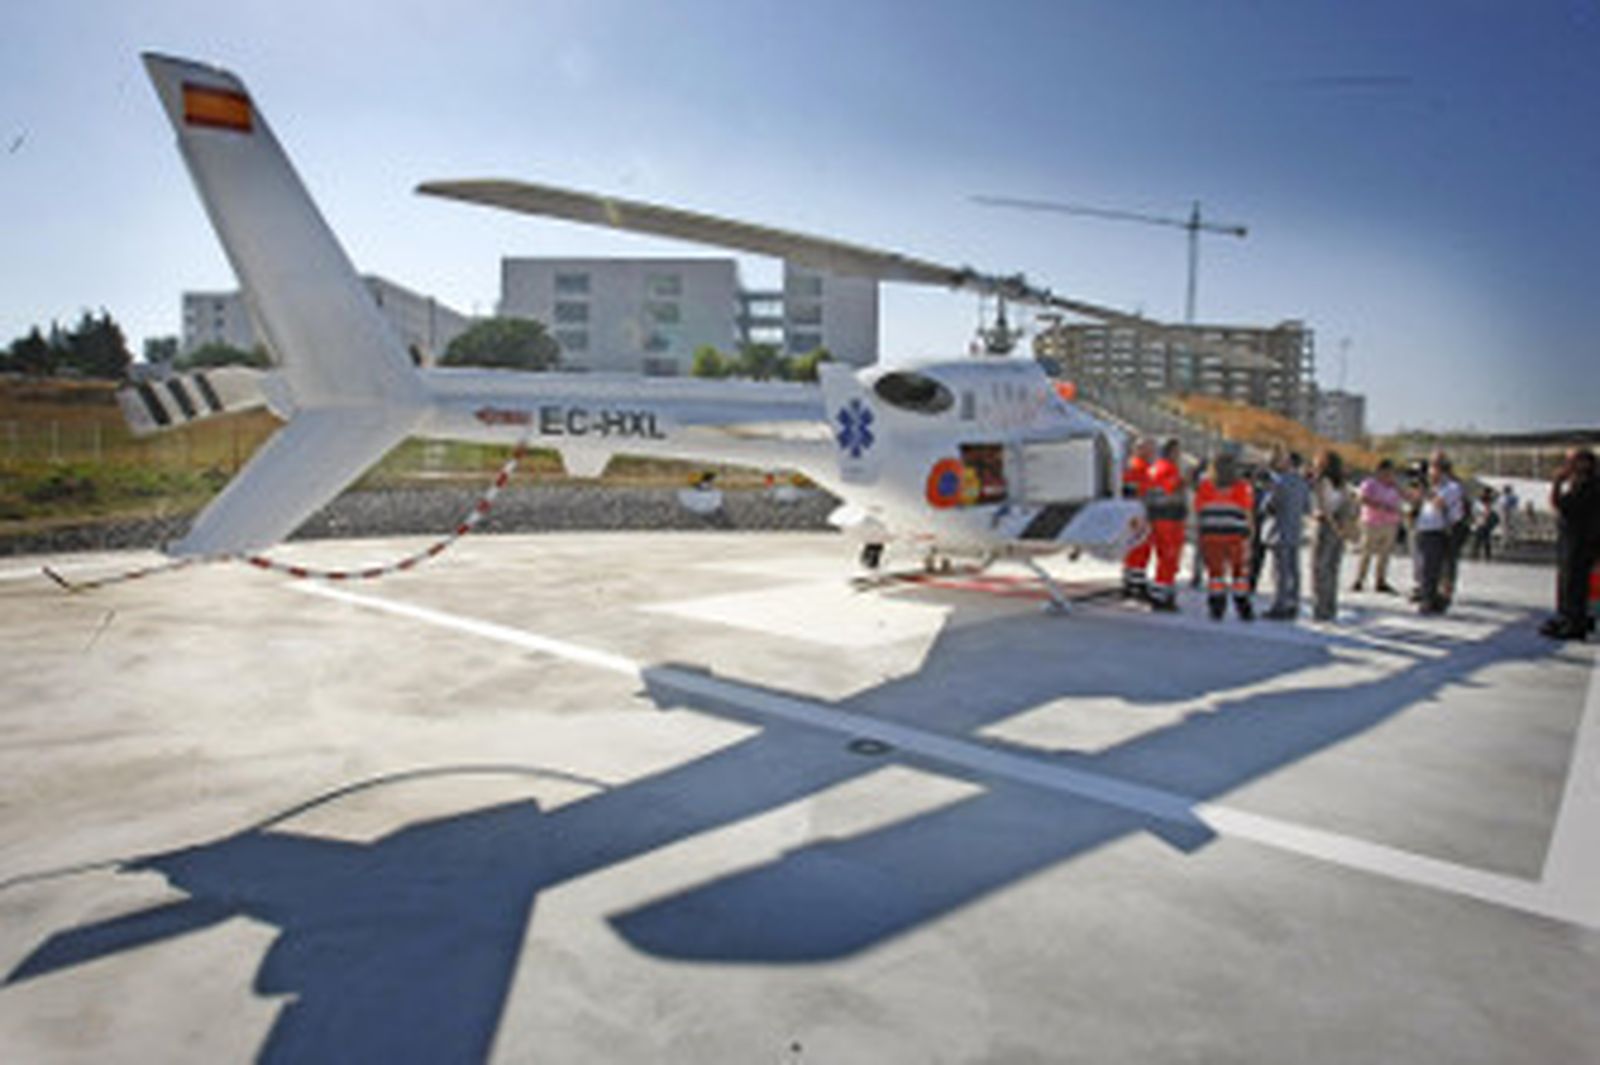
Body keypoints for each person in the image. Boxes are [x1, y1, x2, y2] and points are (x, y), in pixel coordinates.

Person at [1541, 448, 1600, 641]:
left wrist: (1557, 482)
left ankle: (1574, 622)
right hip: (1575, 541)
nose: (1567, 466)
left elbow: (1558, 504)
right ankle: (1567, 618)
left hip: (1580, 542)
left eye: (1571, 462)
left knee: (1574, 583)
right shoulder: (1582, 484)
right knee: (1568, 581)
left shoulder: (1588, 485)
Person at [1196, 451, 1255, 620]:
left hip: (1212, 532)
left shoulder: (1205, 485)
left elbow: (1199, 508)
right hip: (1235, 533)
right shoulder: (1241, 486)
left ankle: (1217, 604)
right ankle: (1242, 604)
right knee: (1239, 571)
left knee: (1216, 572)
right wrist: (1251, 531)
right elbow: (1247, 509)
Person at [1413, 455, 1465, 614]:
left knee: (1434, 567)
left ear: (1441, 470)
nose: (1429, 472)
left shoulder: (1452, 487)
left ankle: (1430, 599)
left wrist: (1425, 490)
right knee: (1426, 566)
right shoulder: (1434, 487)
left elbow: (1439, 503)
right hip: (1425, 529)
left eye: (1432, 468)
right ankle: (1432, 597)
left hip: (1440, 531)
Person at [1263, 448, 1310, 621]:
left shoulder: (1280, 482)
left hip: (1280, 530)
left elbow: (1270, 505)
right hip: (1296, 530)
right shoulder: (1303, 484)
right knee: (1294, 570)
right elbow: (1307, 508)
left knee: (1280, 571)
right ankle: (1293, 602)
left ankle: (1280, 604)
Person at [1309, 450, 1355, 621]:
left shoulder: (1321, 482)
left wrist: (1334, 526)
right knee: (1332, 569)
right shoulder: (1343, 484)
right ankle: (1330, 606)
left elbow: (1324, 507)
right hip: (1339, 525)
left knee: (1320, 569)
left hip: (1324, 526)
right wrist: (1343, 528)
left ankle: (1321, 608)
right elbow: (1347, 506)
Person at [1145, 438, 1188, 612]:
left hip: (1159, 517)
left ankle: (1163, 593)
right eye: (1177, 452)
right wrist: (1186, 479)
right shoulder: (1168, 469)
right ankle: (1161, 596)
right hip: (1169, 518)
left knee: (1165, 557)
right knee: (1169, 558)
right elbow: (1172, 487)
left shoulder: (1155, 468)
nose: (1179, 455)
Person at [1351, 459, 1403, 593]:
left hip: (1390, 522)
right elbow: (1361, 498)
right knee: (1366, 552)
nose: (1389, 475)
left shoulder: (1394, 486)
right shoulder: (1369, 484)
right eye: (1387, 471)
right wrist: (1379, 505)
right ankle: (1359, 579)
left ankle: (1380, 580)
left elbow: (1403, 498)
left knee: (1385, 554)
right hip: (1371, 522)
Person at [1120, 437, 1156, 600]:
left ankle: (1131, 582)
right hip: (1138, 514)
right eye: (1150, 449)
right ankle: (1135, 584)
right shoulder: (1137, 469)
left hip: (1139, 513)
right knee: (1138, 550)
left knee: (1138, 550)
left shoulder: (1141, 468)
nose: (1153, 452)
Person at [1469, 486, 1500, 561]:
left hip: (1483, 519)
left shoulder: (1486, 500)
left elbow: (1479, 510)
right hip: (1482, 519)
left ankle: (1477, 553)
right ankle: (1483, 554)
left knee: (1481, 537)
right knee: (1483, 537)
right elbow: (1479, 510)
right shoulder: (1484, 500)